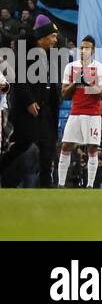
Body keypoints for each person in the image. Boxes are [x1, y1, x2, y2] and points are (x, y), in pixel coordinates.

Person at [0, 15, 60, 187]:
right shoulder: (26, 53)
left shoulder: (50, 55)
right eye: (53, 36)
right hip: (29, 108)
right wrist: (28, 101)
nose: (55, 40)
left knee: (47, 149)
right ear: (43, 37)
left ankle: (46, 186)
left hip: (47, 108)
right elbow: (19, 78)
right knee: (22, 144)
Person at [57, 36, 102, 188]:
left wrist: (88, 84)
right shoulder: (70, 67)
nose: (83, 50)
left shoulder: (100, 68)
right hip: (75, 112)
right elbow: (64, 93)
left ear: (92, 51)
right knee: (66, 146)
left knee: (92, 147)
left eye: (86, 48)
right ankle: (60, 184)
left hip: (92, 114)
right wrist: (76, 82)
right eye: (81, 47)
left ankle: (90, 185)